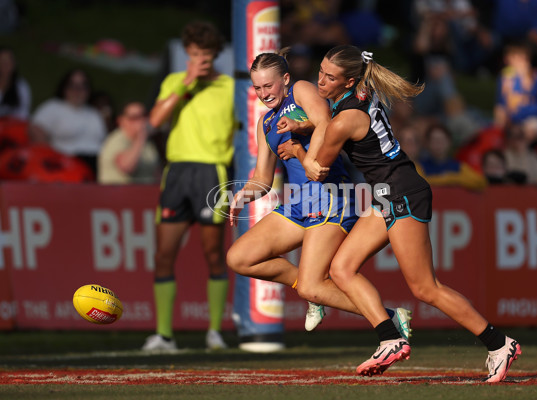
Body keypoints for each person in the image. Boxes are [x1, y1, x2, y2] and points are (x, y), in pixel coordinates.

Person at [302, 45, 520, 381]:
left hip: (401, 193)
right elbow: (329, 120)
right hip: (387, 193)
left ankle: (499, 343)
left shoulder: (345, 118)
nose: (321, 81)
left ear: (348, 82)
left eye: (330, 77)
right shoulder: (362, 90)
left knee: (425, 288)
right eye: (320, 72)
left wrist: (294, 148)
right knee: (342, 268)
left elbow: (318, 169)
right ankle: (389, 338)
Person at [227, 51, 412, 338]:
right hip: (298, 203)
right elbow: (262, 179)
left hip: (328, 197)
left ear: (285, 79)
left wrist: (304, 148)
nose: (263, 93)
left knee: (314, 284)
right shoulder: (264, 123)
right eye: (257, 88)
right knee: (240, 258)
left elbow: (326, 121)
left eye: (269, 86)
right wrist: (241, 196)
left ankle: (385, 322)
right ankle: (330, 298)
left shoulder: (300, 90)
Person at [141, 21, 234, 352]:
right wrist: (186, 82)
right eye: (194, 54)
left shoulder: (230, 87)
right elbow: (154, 121)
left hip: (212, 173)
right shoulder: (174, 81)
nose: (199, 60)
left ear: (215, 55)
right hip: (177, 173)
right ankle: (164, 334)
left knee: (213, 254)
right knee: (164, 253)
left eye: (205, 55)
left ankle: (214, 331)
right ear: (187, 55)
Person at [29, 68, 106, 178]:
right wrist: (50, 158)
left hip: (96, 160)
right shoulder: (53, 107)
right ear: (65, 88)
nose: (77, 90)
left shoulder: (94, 114)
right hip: (67, 162)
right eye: (72, 85)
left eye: (82, 86)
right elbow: (36, 131)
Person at [97, 101, 160, 184]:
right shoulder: (116, 140)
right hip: (118, 194)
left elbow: (157, 173)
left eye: (144, 115)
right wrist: (142, 136)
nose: (141, 120)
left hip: (145, 193)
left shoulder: (147, 143)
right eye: (134, 117)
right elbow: (127, 167)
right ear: (121, 120)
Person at [419, 123, 487, 191]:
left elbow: (480, 182)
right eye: (434, 140)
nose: (438, 143)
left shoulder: (459, 166)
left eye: (442, 140)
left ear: (449, 142)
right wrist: (451, 179)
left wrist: (452, 178)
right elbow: (420, 184)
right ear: (427, 143)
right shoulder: (419, 166)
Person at [0, 46, 31, 120]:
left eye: (9, 61)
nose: (5, 64)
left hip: (12, 127)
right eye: (2, 61)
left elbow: (24, 114)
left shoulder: (21, 86)